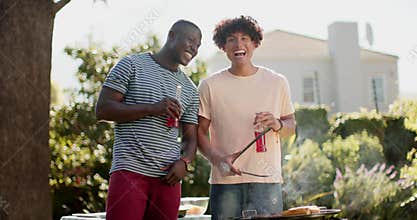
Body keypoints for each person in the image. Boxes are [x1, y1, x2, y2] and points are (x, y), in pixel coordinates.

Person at [96, 20, 201, 220]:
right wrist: (152, 109)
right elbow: (103, 110)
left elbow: (190, 138)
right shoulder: (131, 65)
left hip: (168, 179)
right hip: (129, 171)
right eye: (190, 40)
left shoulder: (190, 90)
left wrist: (184, 162)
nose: (194, 48)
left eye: (198, 45)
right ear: (171, 35)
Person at [197, 15, 296, 219]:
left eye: (245, 38)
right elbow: (198, 132)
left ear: (255, 43)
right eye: (231, 39)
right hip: (225, 181)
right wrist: (217, 159)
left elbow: (291, 127)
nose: (238, 44)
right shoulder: (209, 86)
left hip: (267, 182)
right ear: (223, 46)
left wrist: (277, 124)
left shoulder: (277, 82)